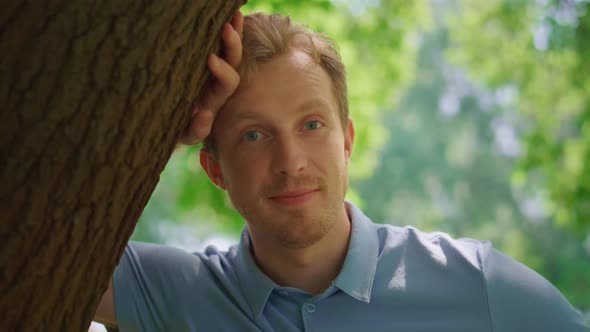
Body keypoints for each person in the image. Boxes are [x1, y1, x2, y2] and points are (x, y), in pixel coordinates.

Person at [94, 10, 590, 331]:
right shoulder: (166, 292)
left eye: (311, 124)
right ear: (214, 168)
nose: (291, 162)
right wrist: (153, 135)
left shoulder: (479, 284)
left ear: (347, 140)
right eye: (253, 135)